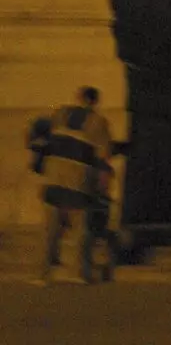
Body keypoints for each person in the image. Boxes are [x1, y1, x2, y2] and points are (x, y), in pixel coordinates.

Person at [32, 86, 113, 286]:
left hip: (55, 176)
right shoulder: (98, 122)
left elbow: (39, 132)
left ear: (79, 97)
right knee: (80, 229)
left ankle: (42, 273)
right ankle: (79, 273)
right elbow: (103, 156)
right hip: (79, 179)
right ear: (94, 101)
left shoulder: (60, 114)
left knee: (50, 228)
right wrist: (103, 184)